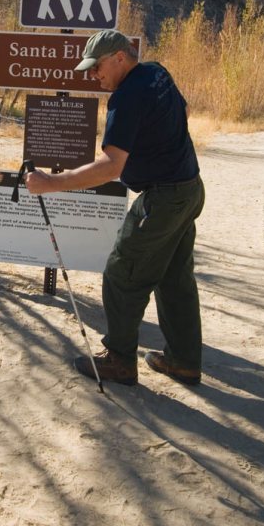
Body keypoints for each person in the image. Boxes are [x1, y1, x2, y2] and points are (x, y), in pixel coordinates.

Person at [25, 29, 205, 387]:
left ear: (120, 57)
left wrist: (52, 184)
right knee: (173, 277)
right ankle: (183, 361)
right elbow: (183, 110)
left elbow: (111, 166)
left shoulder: (126, 96)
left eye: (98, 68)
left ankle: (120, 361)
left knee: (122, 273)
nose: (94, 76)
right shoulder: (157, 73)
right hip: (190, 188)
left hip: (164, 198)